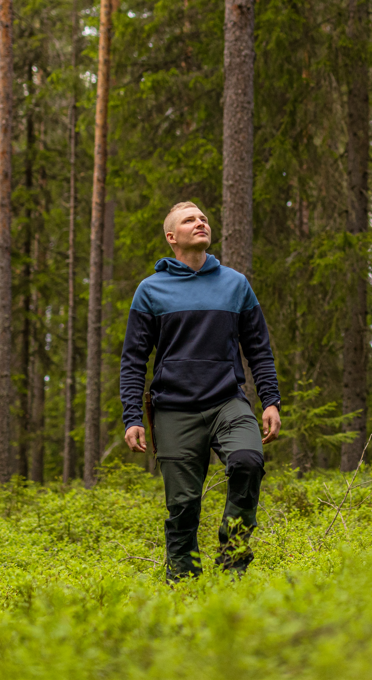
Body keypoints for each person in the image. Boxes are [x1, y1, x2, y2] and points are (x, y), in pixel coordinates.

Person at [120, 201, 282, 580]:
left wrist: (270, 399)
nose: (200, 223)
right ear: (172, 237)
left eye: (204, 218)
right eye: (190, 220)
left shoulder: (235, 284)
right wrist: (132, 416)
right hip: (173, 409)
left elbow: (258, 349)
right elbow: (133, 360)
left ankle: (232, 564)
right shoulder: (150, 290)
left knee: (247, 462)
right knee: (183, 505)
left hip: (228, 401)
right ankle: (184, 584)